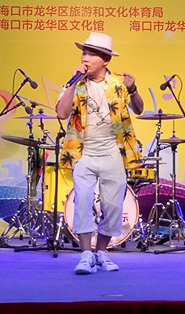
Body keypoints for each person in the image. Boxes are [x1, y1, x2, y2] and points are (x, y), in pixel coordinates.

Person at [55, 32, 143, 274]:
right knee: (83, 202)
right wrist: (73, 82)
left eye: (91, 54)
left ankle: (101, 253)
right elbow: (61, 113)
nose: (85, 57)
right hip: (84, 152)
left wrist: (133, 89)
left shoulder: (118, 83)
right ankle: (86, 255)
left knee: (113, 205)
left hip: (112, 152)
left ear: (105, 59)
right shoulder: (75, 83)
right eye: (84, 52)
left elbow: (139, 109)